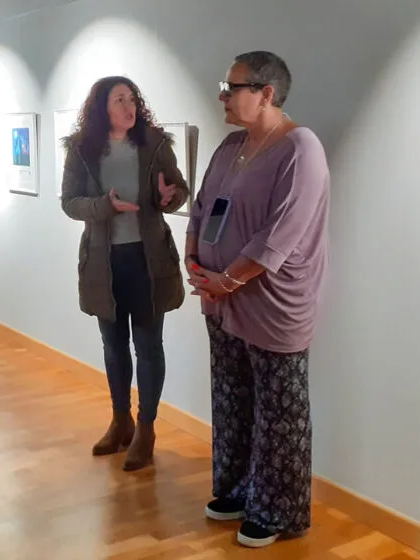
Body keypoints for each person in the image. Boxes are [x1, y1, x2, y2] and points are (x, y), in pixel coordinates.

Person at [184, 51, 329, 548]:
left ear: (266, 93)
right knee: (231, 399)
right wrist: (193, 257)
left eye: (233, 86)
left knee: (278, 410)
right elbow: (203, 208)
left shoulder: (300, 149)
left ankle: (275, 509)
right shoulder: (229, 145)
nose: (223, 95)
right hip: (220, 299)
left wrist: (228, 279)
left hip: (271, 304)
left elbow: (279, 235)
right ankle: (237, 489)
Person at [61, 76, 190, 471]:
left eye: (132, 98)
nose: (128, 106)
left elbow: (179, 190)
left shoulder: (155, 143)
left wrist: (171, 197)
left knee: (149, 346)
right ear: (102, 108)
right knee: (113, 346)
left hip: (149, 260)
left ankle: (147, 428)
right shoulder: (83, 149)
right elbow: (70, 203)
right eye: (119, 100)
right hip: (104, 262)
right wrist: (104, 206)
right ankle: (121, 421)